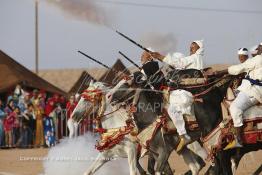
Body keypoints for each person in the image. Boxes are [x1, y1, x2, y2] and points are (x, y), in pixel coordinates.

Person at [150, 40, 204, 151]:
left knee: (171, 110)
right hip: (180, 92)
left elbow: (180, 63)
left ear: (199, 49)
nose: (190, 49)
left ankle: (183, 135)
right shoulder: (192, 60)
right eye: (190, 47)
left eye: (193, 47)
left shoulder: (195, 58)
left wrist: (160, 56)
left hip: (186, 93)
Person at [226, 43, 262, 146]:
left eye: (260, 47)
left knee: (234, 108)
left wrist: (219, 72)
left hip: (253, 91)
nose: (258, 49)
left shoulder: (258, 60)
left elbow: (238, 69)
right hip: (248, 89)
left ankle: (238, 138)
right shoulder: (255, 60)